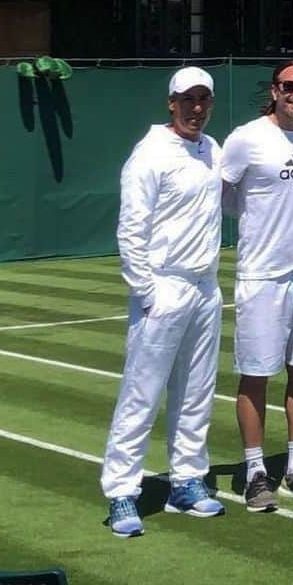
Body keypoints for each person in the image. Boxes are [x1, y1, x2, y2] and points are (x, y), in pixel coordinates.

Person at [100, 67, 225, 537]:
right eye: (188, 99)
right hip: (164, 287)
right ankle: (122, 492)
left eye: (204, 99)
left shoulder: (211, 149)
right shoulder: (148, 155)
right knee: (142, 394)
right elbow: (131, 229)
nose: (196, 107)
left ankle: (187, 480)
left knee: (196, 392)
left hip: (205, 287)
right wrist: (147, 291)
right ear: (171, 102)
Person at [222, 59, 293, 511]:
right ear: (274, 90)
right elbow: (223, 195)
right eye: (289, 86)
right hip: (263, 274)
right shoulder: (246, 138)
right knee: (256, 375)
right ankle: (254, 473)